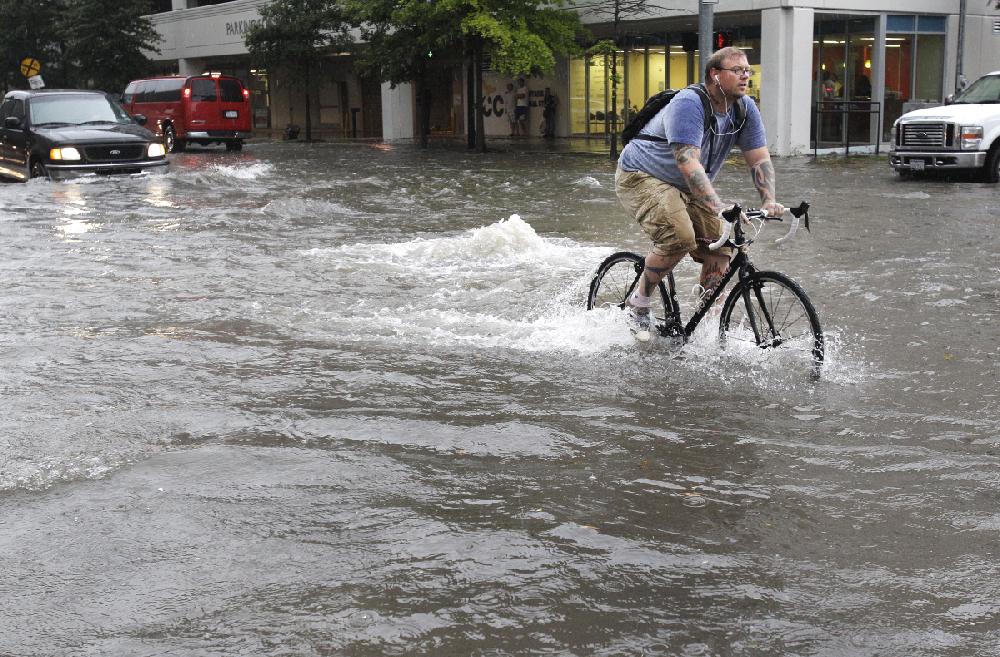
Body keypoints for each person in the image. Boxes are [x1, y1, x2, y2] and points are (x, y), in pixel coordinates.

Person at [614, 46, 784, 342]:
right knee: (679, 237)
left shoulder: (744, 109)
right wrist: (719, 206)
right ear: (714, 75)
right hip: (641, 175)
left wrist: (769, 200)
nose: (745, 76)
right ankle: (638, 305)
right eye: (737, 70)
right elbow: (688, 163)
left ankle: (705, 324)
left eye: (748, 71)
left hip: (687, 184)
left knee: (725, 244)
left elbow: (759, 159)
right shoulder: (689, 104)